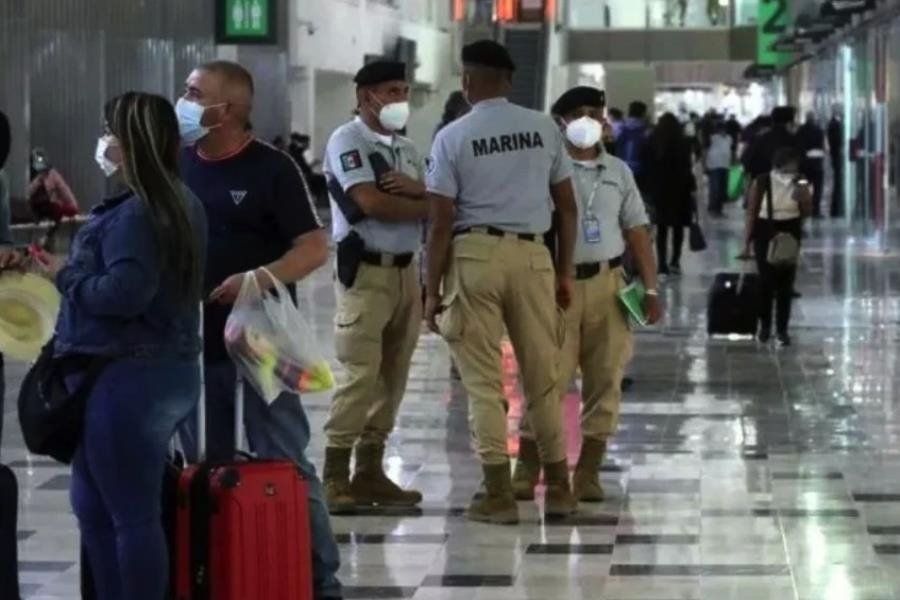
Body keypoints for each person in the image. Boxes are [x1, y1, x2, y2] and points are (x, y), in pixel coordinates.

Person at [176, 61, 341, 599]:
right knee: (206, 464)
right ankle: (216, 572)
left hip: (261, 339)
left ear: (231, 109)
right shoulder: (178, 164)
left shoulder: (272, 168)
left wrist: (258, 278)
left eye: (195, 93)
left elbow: (314, 246)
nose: (185, 100)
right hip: (193, 342)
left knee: (284, 457)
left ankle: (319, 579)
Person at [38, 92, 206, 600]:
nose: (103, 142)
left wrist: (65, 276)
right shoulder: (180, 200)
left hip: (130, 379)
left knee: (130, 514)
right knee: (94, 508)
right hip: (148, 373)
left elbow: (124, 294)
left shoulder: (141, 212)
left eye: (108, 131)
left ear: (129, 141)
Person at [424, 39, 578, 524]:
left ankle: (497, 494)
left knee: (483, 383)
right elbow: (567, 207)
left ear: (467, 81)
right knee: (543, 378)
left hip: (475, 256)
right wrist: (565, 269)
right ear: (509, 81)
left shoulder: (452, 136)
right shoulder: (544, 128)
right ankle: (559, 488)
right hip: (534, 255)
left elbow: (441, 222)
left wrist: (431, 290)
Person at [512, 85, 663, 503]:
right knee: (546, 380)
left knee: (605, 380)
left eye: (594, 112)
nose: (587, 120)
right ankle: (528, 466)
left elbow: (637, 232)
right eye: (577, 113)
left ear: (604, 120)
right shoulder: (540, 169)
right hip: (553, 288)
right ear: (560, 121)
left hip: (608, 285)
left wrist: (650, 287)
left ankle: (589, 472)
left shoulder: (618, 171)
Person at [320, 60, 427, 514]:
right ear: (366, 97)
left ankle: (370, 471)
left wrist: (419, 198)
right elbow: (369, 202)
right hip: (366, 273)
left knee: (393, 377)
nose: (400, 98)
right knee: (359, 376)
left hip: (408, 272)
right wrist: (423, 201)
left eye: (404, 89)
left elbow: (439, 202)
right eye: (391, 90)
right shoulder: (348, 140)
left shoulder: (407, 149)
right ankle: (334, 475)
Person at [740, 148, 812, 347]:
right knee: (766, 281)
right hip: (765, 230)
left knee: (786, 284)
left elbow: (807, 210)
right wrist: (747, 242)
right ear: (781, 163)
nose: (795, 168)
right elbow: (752, 211)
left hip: (791, 230)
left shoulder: (801, 180)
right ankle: (764, 327)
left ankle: (782, 330)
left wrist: (803, 194)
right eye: (792, 164)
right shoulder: (762, 181)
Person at [643, 113, 695, 275]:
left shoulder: (652, 141)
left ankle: (662, 264)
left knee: (662, 229)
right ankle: (675, 261)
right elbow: (688, 167)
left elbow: (648, 167)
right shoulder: (684, 142)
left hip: (660, 191)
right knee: (678, 228)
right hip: (681, 190)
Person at [742, 106, 799, 181]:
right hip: (788, 187)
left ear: (773, 120)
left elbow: (746, 162)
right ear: (790, 122)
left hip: (763, 185)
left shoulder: (760, 139)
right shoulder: (794, 140)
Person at [27, 148, 79, 225]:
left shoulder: (52, 175)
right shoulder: (36, 178)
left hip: (52, 207)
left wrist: (73, 205)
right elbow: (29, 193)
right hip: (40, 208)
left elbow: (64, 190)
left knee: (65, 209)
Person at [796, 112, 826, 218]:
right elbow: (823, 147)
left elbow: (798, 148)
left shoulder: (800, 131)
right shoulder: (819, 131)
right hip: (817, 165)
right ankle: (816, 210)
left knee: (803, 186)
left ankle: (802, 209)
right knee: (817, 188)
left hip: (804, 166)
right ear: (813, 119)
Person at [616, 101, 649, 190]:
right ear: (643, 113)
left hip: (623, 166)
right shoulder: (645, 131)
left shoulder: (621, 128)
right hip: (640, 168)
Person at [288, 132, 327, 204]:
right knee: (321, 180)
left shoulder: (298, 151)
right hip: (303, 174)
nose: (308, 144)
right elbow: (304, 166)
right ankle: (318, 198)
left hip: (304, 173)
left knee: (320, 179)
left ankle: (318, 198)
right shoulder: (296, 152)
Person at [705, 120, 732, 217]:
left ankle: (718, 209)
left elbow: (729, 151)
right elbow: (705, 151)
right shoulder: (712, 138)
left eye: (724, 129)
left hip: (725, 166)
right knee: (715, 188)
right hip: (714, 166)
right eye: (721, 129)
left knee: (722, 189)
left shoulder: (729, 138)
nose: (723, 131)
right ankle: (712, 208)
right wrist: (705, 165)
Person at [827, 111, 844, 217]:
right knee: (838, 180)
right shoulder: (836, 125)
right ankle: (836, 210)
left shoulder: (831, 124)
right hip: (837, 154)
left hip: (835, 154)